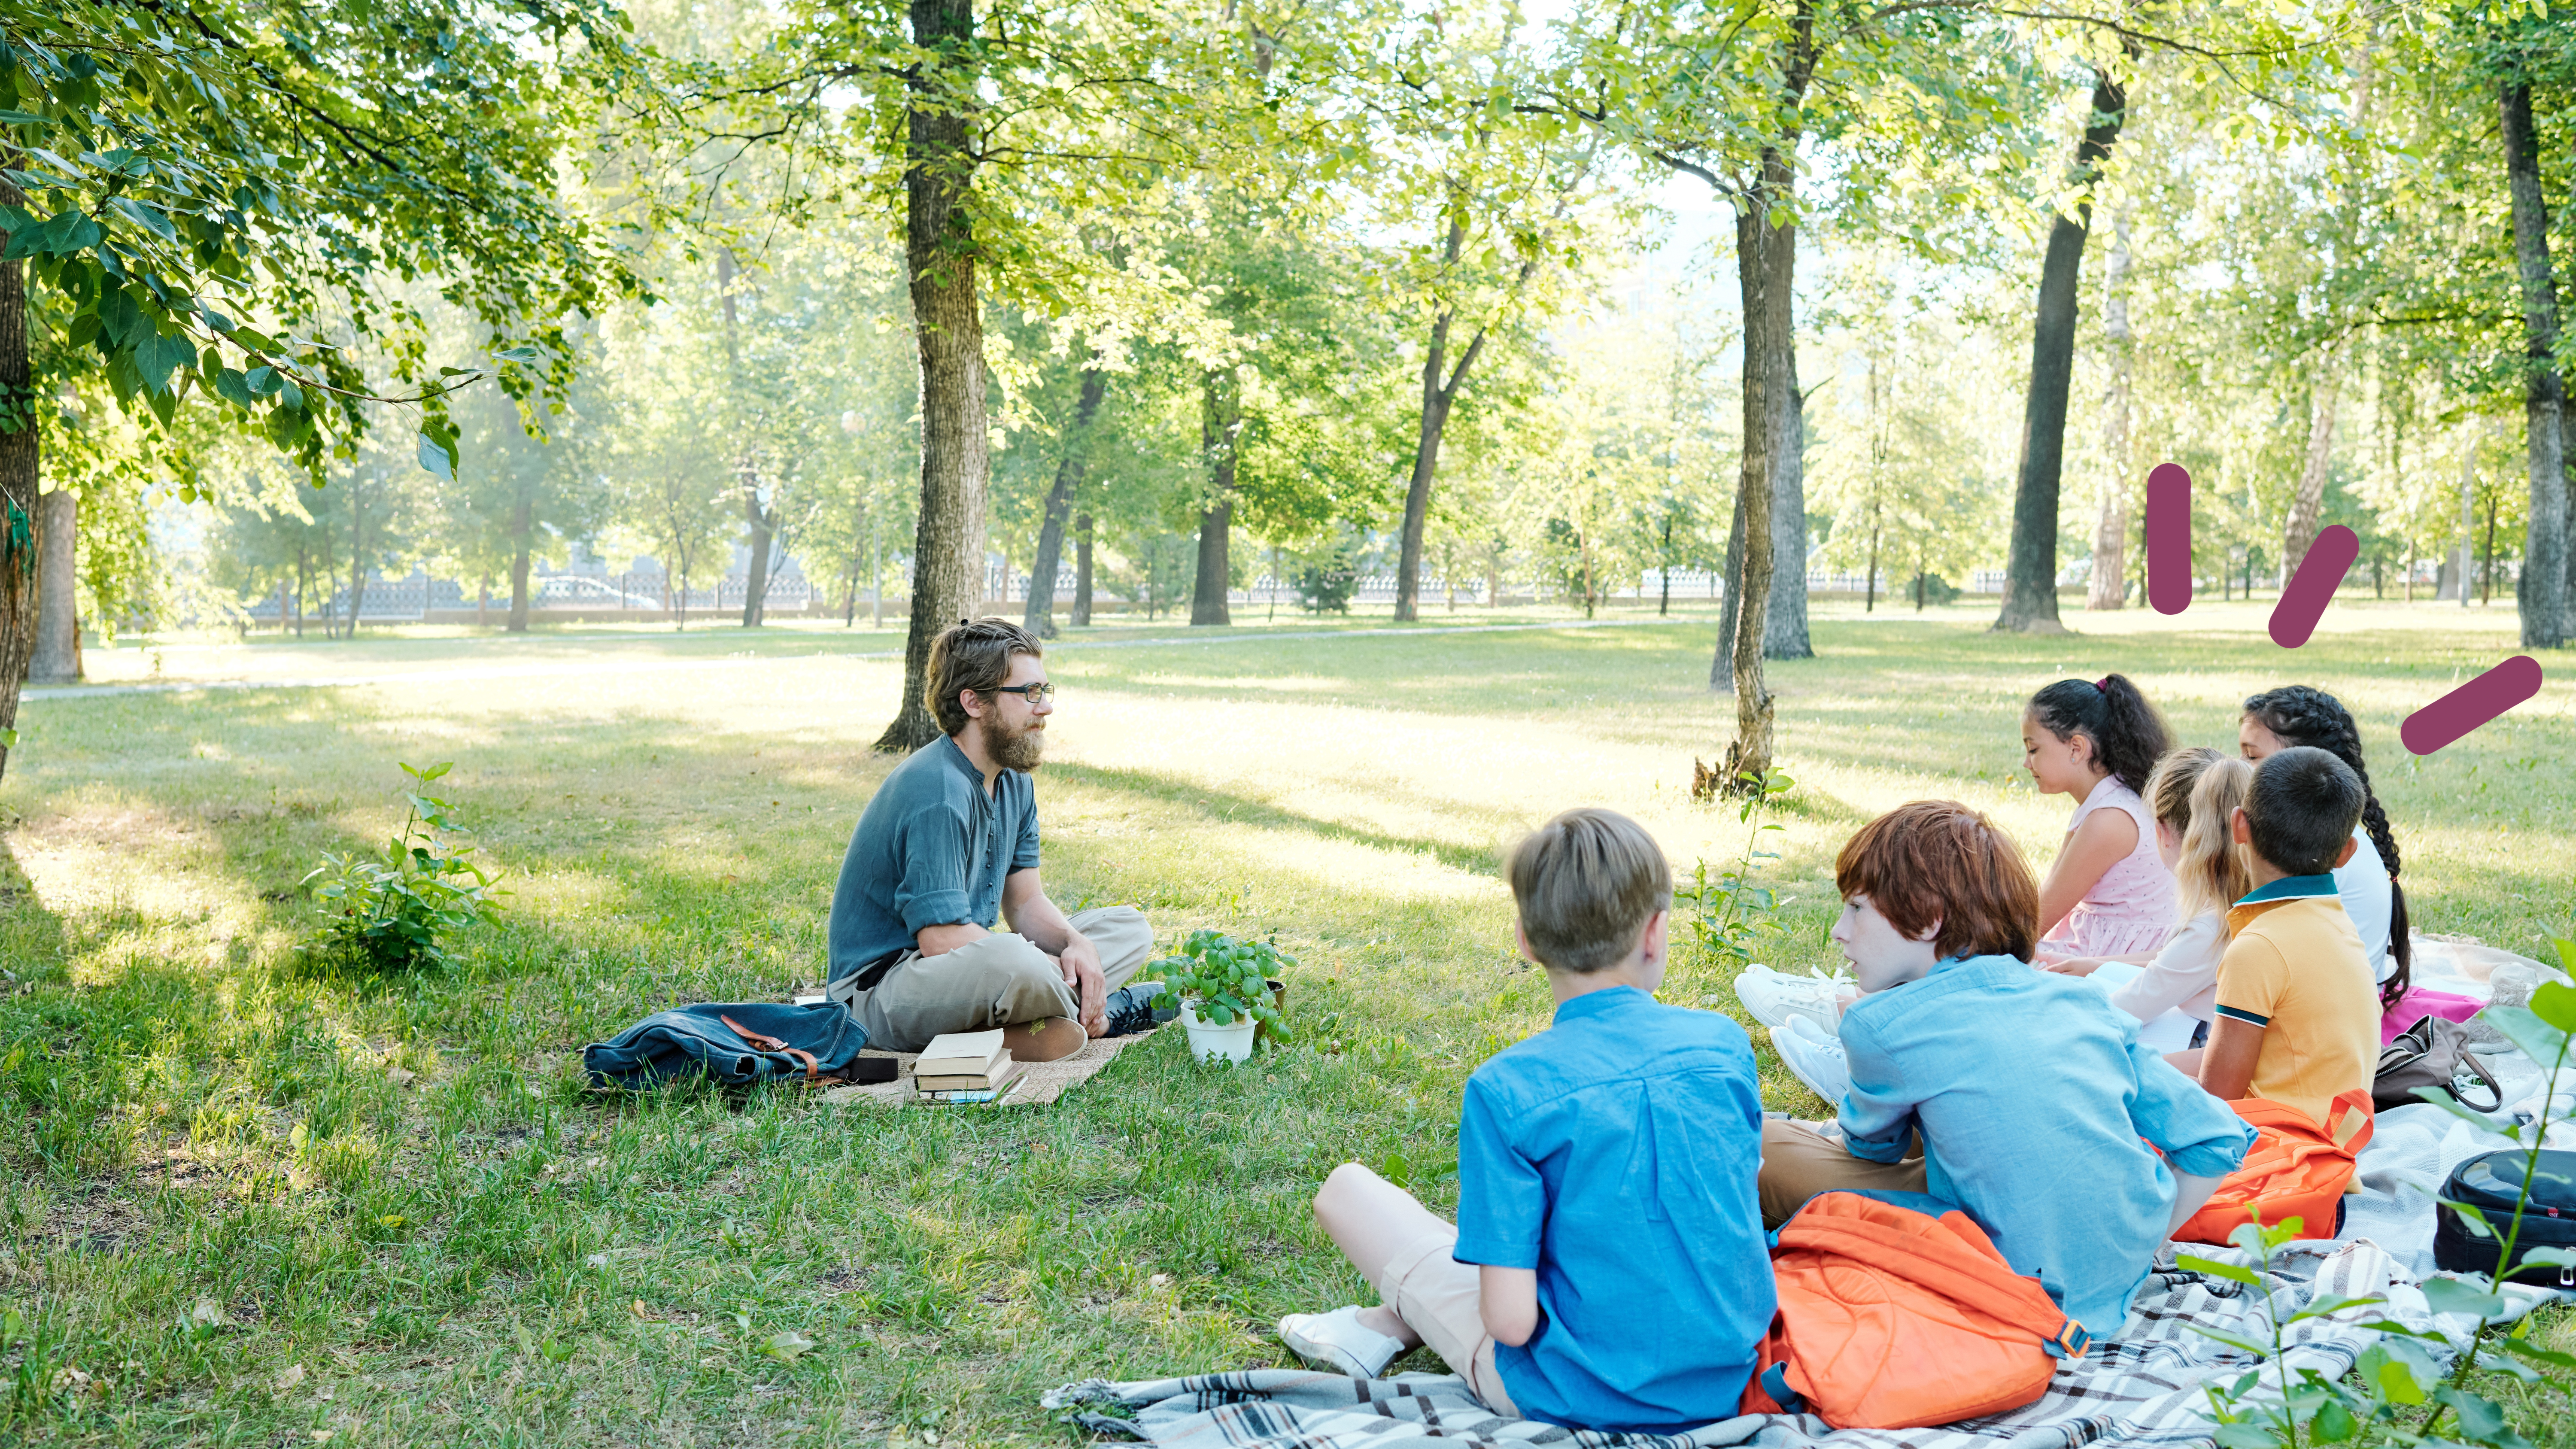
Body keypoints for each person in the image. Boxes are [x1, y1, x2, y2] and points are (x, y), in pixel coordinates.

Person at [1276, 809, 1773, 1431]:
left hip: (1574, 1394)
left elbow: (1511, 1323)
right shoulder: (1725, 1045)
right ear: (1655, 932)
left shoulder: (1508, 1088)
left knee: (1348, 1188)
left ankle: (1383, 1322)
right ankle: (1384, 1321)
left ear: (1526, 939)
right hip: (1725, 1379)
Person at [1757, 801, 2254, 1341]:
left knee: (1761, 1146)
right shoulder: (2082, 1002)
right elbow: (2216, 1136)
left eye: (1856, 909)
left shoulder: (1881, 1024)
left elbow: (1871, 1152)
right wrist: (2142, 1245)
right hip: (2118, 1284)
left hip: (2002, 1283)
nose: (1838, 930)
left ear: (1928, 918)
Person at [823, 618, 1168, 1060]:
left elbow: (1025, 904)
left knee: (1128, 929)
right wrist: (1049, 966)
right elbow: (940, 940)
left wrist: (1073, 946)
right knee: (1017, 960)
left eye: (1045, 691)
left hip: (965, 968)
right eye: (1028, 693)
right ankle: (1103, 1011)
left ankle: (1037, 1020)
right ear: (974, 702)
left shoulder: (1013, 779)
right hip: (880, 993)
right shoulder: (938, 793)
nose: (1044, 708)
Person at [2170, 747, 2382, 1123]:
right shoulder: (2336, 922)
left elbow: (2218, 1100)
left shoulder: (2258, 948)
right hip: (2331, 1146)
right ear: (2346, 852)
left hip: (2280, 1158)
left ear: (2239, 825)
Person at [2044, 748, 2255, 1040]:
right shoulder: (2236, 903)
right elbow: (2172, 962)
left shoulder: (2210, 926)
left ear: (2162, 831)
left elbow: (2124, 1009)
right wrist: (2096, 966)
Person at [2239, 686, 2411, 1009]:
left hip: (2325, 1013)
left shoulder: (2302, 847)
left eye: (2252, 757)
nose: (2238, 767)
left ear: (2308, 765)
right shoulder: (2321, 830)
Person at [2024, 674, 2178, 958]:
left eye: (2033, 749)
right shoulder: (2108, 800)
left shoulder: (2110, 819)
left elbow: (2035, 923)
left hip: (2121, 959)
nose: (2026, 763)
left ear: (2077, 748)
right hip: (2106, 945)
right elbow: (2046, 901)